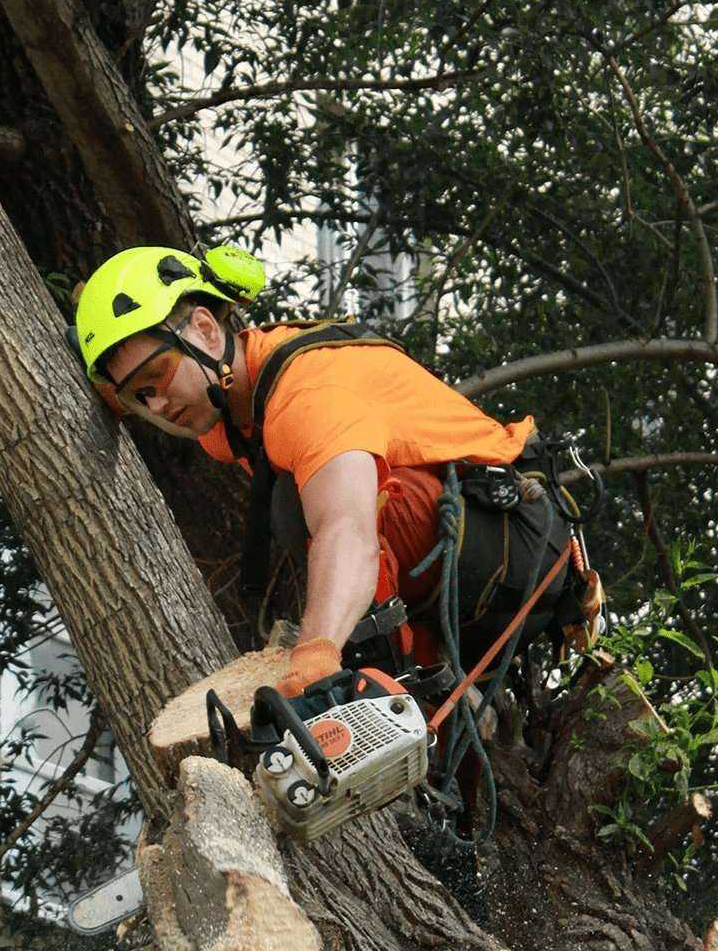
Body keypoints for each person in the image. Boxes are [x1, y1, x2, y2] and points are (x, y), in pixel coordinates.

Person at [75, 244, 592, 699]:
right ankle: (416, 678)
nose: (157, 404)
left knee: (304, 506)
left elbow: (345, 527)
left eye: (158, 378)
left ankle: (387, 670)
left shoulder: (305, 395)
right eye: (139, 396)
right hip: (471, 557)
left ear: (207, 330)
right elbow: (139, 383)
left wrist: (317, 652)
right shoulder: (224, 409)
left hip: (511, 537)